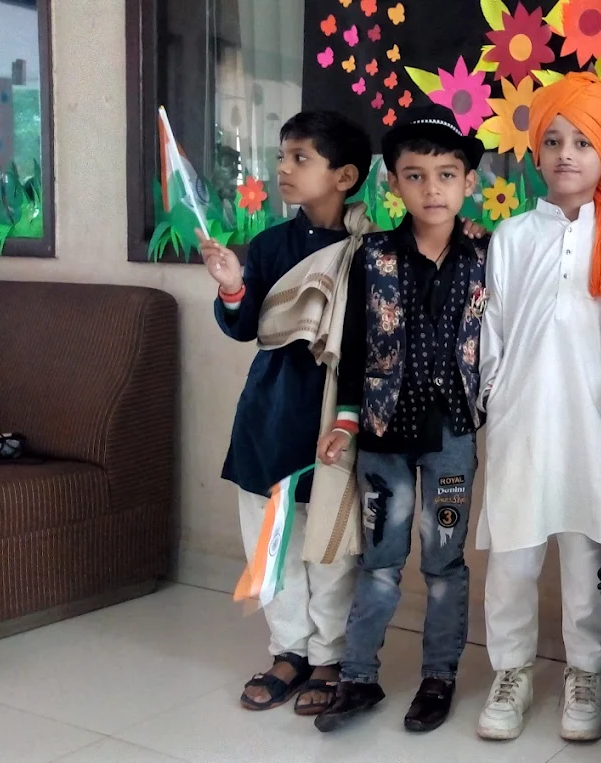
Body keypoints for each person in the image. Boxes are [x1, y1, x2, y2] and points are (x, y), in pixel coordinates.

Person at [474, 72, 601, 742]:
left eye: (582, 141)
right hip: (519, 422)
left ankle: (585, 671)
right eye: (553, 139)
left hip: (589, 421)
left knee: (588, 557)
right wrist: (493, 403)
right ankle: (512, 670)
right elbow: (491, 331)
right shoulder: (511, 237)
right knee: (513, 559)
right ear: (534, 153)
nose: (566, 153)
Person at [310, 104, 488, 735]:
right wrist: (346, 423)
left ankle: (439, 676)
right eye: (415, 175)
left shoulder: (486, 256)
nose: (431, 188)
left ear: (468, 181)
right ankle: (358, 678)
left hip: (453, 441)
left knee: (444, 561)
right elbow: (353, 349)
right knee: (380, 561)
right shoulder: (373, 257)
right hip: (383, 436)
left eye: (446, 174)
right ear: (393, 183)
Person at [199, 111, 371, 716]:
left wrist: (351, 416)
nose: (282, 169)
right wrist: (230, 286)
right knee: (270, 542)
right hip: (269, 415)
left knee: (329, 544)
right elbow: (245, 327)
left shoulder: (370, 250)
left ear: (345, 174)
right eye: (281, 156)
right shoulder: (270, 245)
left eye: (300, 158)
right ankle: (288, 652)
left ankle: (329, 656)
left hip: (333, 417)